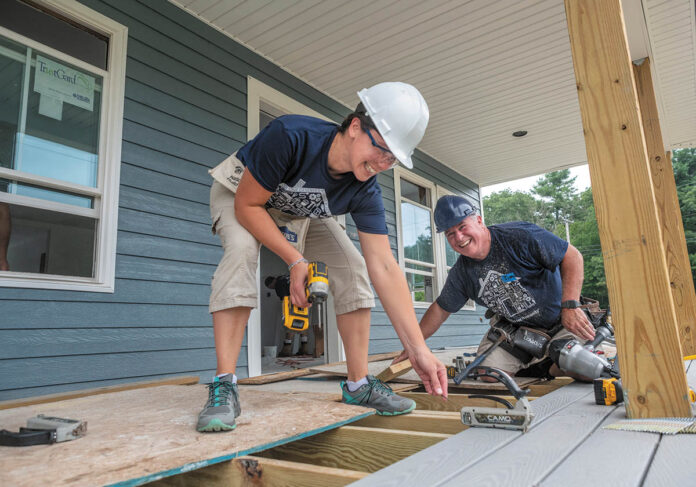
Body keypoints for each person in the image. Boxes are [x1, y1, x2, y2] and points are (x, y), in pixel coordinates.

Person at [197, 82, 448, 433]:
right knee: (241, 252)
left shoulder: (365, 189)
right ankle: (224, 385)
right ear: (356, 127)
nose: (382, 163)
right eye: (382, 150)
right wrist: (295, 260)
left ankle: (359, 385)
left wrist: (417, 347)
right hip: (241, 192)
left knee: (355, 268)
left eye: (392, 159)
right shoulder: (290, 135)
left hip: (299, 211)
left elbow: (385, 266)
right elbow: (248, 206)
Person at [394, 194, 599, 381]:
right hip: (519, 333)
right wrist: (414, 345)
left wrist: (570, 306)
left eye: (462, 227)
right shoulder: (461, 273)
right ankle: (546, 365)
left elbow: (572, 256)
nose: (459, 237)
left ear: (479, 221)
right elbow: (440, 309)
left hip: (561, 322)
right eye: (450, 233)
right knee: (488, 374)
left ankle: (556, 364)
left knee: (582, 368)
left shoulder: (518, 236)